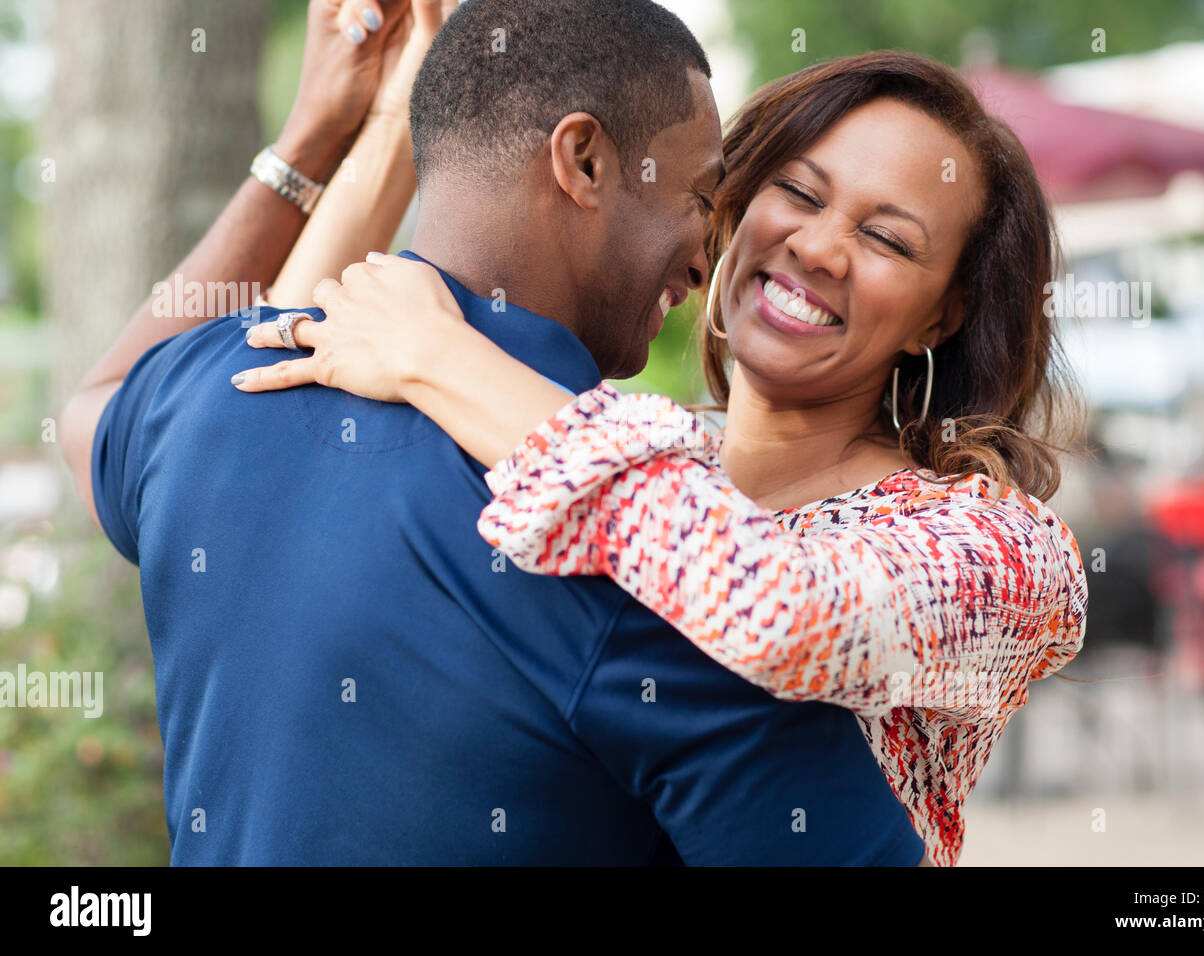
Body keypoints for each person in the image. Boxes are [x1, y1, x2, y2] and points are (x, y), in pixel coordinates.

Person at [59, 0, 928, 865]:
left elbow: (92, 405)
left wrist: (313, 138)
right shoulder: (656, 547)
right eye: (700, 195)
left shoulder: (212, 387)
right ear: (584, 160)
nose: (707, 258)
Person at [233, 47, 1092, 866]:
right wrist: (388, 123)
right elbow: (283, 366)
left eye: (890, 241)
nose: (820, 248)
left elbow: (784, 616)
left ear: (942, 316)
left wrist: (438, 354)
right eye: (798, 191)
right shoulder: (618, 439)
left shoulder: (1000, 549)